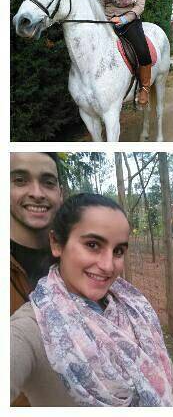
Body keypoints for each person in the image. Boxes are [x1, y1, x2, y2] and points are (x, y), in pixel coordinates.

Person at [11, 193, 173, 407]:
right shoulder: (29, 329)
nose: (108, 265)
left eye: (118, 251)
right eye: (92, 245)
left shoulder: (131, 306)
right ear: (56, 243)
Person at [10, 152, 63, 407]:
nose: (37, 193)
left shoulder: (80, 264)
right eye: (20, 180)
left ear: (60, 193)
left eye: (48, 182)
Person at [98, 0, 152, 106]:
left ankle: (144, 88)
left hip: (129, 20)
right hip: (107, 19)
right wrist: (103, 19)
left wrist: (123, 19)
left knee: (143, 50)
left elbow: (140, 5)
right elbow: (101, 1)